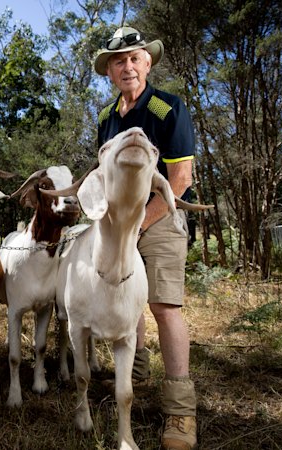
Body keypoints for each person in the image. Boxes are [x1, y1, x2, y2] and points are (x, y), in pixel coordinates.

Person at [94, 26, 198, 450]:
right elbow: (103, 177)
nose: (128, 66)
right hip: (118, 224)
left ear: (148, 63)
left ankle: (180, 411)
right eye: (119, 61)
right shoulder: (105, 118)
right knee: (125, 302)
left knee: (162, 306)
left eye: (135, 58)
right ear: (110, 72)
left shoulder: (167, 107)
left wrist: (141, 224)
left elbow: (180, 180)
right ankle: (133, 374)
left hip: (160, 217)